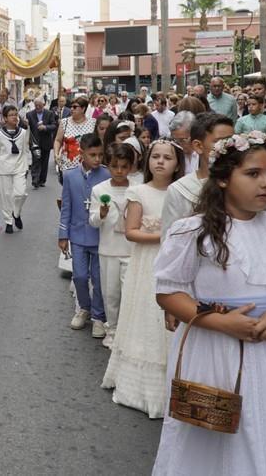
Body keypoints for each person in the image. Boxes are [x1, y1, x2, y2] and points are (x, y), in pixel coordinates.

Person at [152, 133, 266, 475]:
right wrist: (221, 323)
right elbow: (169, 292)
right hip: (213, 350)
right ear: (223, 178)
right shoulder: (193, 231)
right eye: (253, 174)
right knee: (215, 441)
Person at [102, 138, 184, 418]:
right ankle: (139, 383)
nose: (160, 162)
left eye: (167, 157)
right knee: (146, 313)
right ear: (147, 161)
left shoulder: (182, 192)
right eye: (155, 156)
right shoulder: (138, 192)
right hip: (147, 261)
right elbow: (131, 231)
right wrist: (163, 236)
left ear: (177, 164)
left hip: (176, 260)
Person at [59, 133, 111, 338]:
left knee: (98, 278)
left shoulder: (107, 175)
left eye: (100, 155)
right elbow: (66, 207)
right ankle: (84, 308)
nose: (97, 159)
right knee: (80, 276)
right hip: (77, 234)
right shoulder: (70, 176)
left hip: (100, 236)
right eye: (92, 155)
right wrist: (62, 234)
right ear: (82, 154)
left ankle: (99, 316)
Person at [89, 143, 138, 348]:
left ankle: (128, 331)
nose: (119, 171)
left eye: (124, 167)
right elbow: (92, 221)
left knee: (130, 292)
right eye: (115, 166)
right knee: (111, 293)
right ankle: (112, 329)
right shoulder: (99, 190)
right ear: (108, 166)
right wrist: (101, 214)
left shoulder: (137, 188)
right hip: (108, 249)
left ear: (131, 167)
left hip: (131, 249)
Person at [161, 113, 235, 238]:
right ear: (198, 146)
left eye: (232, 140)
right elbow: (170, 241)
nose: (230, 147)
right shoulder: (179, 190)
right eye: (220, 142)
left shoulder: (240, 182)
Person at [0, 105, 30, 234]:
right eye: (11, 115)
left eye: (16, 114)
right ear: (5, 118)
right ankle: (8, 221)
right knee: (6, 196)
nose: (15, 117)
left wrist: (27, 165)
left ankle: (16, 213)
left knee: (21, 193)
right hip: (3, 168)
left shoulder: (23, 133)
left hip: (19, 167)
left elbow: (25, 150)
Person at [54, 96, 96, 179]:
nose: (71, 109)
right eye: (71, 107)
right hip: (67, 166)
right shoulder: (64, 122)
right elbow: (58, 140)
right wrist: (56, 154)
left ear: (83, 109)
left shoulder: (93, 123)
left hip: (87, 165)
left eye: (75, 107)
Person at [26, 97, 58, 189]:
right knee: (36, 161)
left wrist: (45, 127)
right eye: (36, 105)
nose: (38, 107)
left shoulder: (49, 113)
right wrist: (25, 123)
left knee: (44, 162)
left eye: (39, 105)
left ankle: (42, 180)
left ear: (43, 105)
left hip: (46, 141)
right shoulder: (29, 114)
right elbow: (25, 127)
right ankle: (35, 180)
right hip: (35, 142)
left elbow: (54, 125)